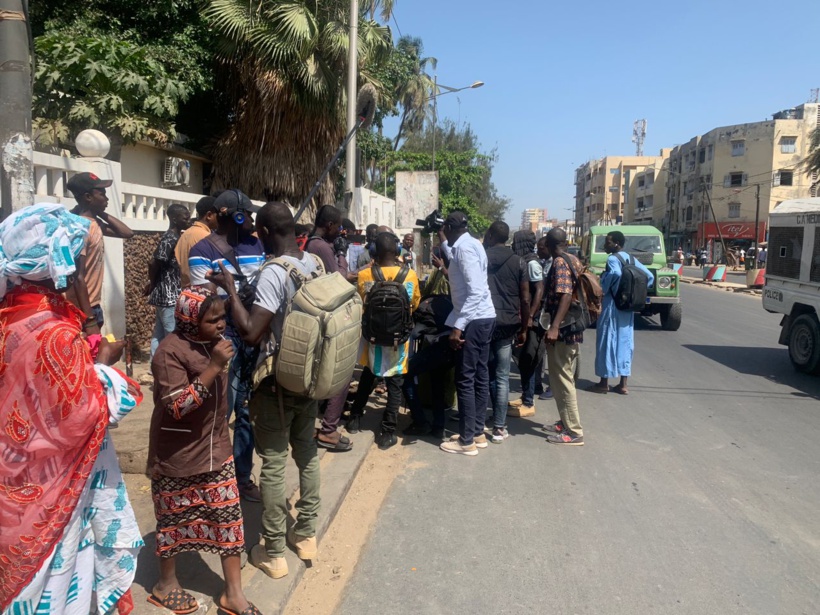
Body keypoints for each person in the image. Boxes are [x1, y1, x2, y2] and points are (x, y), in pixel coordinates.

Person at [0, 204, 142, 615]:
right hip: (54, 491)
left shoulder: (14, 316)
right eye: (79, 256)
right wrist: (105, 368)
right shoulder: (55, 331)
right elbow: (87, 414)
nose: (82, 264)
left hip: (14, 486)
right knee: (56, 585)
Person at [208, 202, 322, 581]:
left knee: (272, 463)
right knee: (307, 454)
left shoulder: (274, 273)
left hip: (276, 381)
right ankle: (305, 534)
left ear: (266, 231)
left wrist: (230, 292)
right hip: (311, 377)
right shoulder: (314, 264)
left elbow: (252, 332)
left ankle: (273, 551)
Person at [148, 286, 259, 615]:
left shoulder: (217, 345)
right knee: (172, 522)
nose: (221, 325)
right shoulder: (169, 352)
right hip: (177, 455)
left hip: (216, 451)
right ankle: (165, 585)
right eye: (212, 320)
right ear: (188, 320)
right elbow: (176, 407)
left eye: (222, 317)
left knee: (228, 521)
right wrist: (212, 367)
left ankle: (233, 594)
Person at [189, 189, 266, 501]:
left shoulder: (257, 244)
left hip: (255, 338)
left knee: (248, 411)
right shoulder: (202, 249)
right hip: (225, 342)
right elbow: (203, 303)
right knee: (221, 411)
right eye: (247, 214)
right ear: (233, 215)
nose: (251, 219)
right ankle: (211, 476)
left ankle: (242, 477)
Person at [345, 232, 420, 449]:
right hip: (399, 339)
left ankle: (355, 417)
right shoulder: (410, 275)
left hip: (373, 338)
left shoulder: (365, 275)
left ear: (374, 252)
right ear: (397, 251)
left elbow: (362, 302)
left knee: (369, 375)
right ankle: (388, 431)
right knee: (395, 382)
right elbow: (414, 304)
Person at [437, 211, 497, 456]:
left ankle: (466, 441)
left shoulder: (465, 249)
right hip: (484, 318)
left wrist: (459, 326)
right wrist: (442, 239)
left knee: (465, 378)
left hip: (473, 320)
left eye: (445, 230)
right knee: (480, 375)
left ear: (451, 227)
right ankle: (476, 431)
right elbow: (455, 262)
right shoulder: (470, 244)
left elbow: (475, 291)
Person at [305, 205, 353, 451]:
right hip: (326, 317)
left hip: (317, 315)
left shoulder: (313, 244)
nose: (340, 232)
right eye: (339, 227)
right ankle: (328, 430)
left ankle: (317, 426)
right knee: (339, 373)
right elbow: (340, 279)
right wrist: (342, 255)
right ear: (331, 225)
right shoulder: (321, 246)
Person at [64, 171, 135, 332]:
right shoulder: (79, 229)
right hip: (82, 309)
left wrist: (99, 211)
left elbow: (127, 233)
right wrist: (89, 320)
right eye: (101, 194)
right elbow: (77, 276)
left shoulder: (94, 223)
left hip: (92, 305)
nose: (106, 198)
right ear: (88, 197)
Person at [589, 231, 655, 396]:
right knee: (625, 343)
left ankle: (604, 382)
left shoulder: (612, 259)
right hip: (627, 307)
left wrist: (605, 287)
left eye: (608, 242)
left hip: (612, 305)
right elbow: (649, 277)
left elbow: (616, 274)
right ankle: (623, 384)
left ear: (617, 243)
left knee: (606, 341)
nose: (605, 245)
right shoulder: (631, 258)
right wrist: (633, 292)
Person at [483, 221, 529, 443]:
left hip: (483, 322)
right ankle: (499, 427)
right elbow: (525, 298)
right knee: (501, 376)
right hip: (508, 324)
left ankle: (477, 423)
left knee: (483, 372)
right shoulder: (519, 262)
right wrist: (524, 327)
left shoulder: (481, 258)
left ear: (490, 235)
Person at [541, 228, 585, 446]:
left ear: (549, 244)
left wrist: (554, 326)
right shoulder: (573, 259)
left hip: (565, 329)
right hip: (572, 327)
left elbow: (566, 294)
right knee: (561, 378)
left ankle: (574, 432)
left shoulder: (559, 262)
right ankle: (565, 422)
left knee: (563, 379)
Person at [146, 203, 191, 358]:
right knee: (171, 334)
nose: (188, 220)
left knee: (158, 334)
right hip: (168, 296)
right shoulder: (170, 238)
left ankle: (156, 365)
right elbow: (154, 263)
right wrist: (152, 284)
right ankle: (167, 366)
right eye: (184, 218)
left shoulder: (176, 237)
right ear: (174, 219)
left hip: (167, 294)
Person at [508, 230, 544, 418]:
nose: (513, 245)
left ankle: (529, 402)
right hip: (524, 317)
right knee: (522, 359)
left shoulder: (531, 263)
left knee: (528, 359)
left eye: (515, 242)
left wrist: (530, 316)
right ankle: (524, 396)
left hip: (531, 320)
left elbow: (539, 290)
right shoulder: (524, 260)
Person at [175, 195, 218, 287]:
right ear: (209, 215)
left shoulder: (185, 235)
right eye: (218, 215)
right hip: (203, 291)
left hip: (187, 293)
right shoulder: (207, 238)